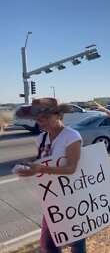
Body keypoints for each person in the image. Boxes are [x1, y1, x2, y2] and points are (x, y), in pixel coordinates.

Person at [14, 98, 86, 253]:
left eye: (45, 118)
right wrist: (30, 165)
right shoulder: (41, 138)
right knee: (49, 244)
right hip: (51, 196)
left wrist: (40, 168)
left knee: (76, 240)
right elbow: (44, 162)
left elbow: (71, 168)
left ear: (59, 115)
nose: (41, 123)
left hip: (71, 196)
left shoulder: (71, 136)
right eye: (37, 119)